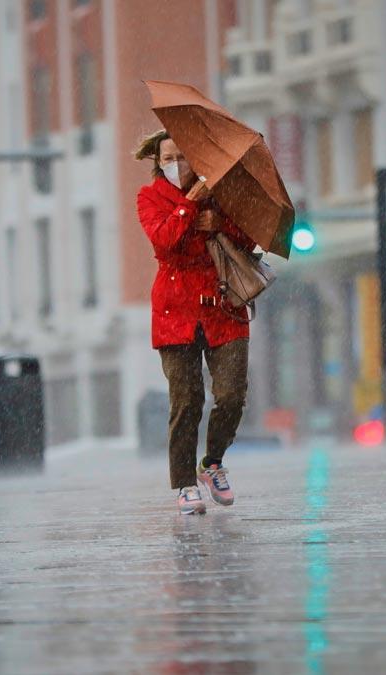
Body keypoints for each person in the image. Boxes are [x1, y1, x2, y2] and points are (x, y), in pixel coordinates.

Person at [134, 129, 254, 515]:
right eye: (168, 159)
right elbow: (164, 241)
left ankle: (213, 462)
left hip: (223, 305)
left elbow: (248, 242)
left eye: (183, 157)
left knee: (232, 394)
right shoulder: (149, 197)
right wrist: (189, 206)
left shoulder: (221, 190)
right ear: (157, 161)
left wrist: (217, 219)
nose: (176, 165)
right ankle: (184, 483)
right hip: (175, 311)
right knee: (186, 402)